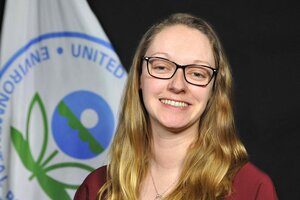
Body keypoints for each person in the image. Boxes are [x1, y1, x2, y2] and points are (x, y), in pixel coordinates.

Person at [74, 13, 278, 200]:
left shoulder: (251, 189)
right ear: (139, 78)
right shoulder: (97, 188)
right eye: (161, 67)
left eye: (197, 73)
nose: (177, 85)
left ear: (214, 90)